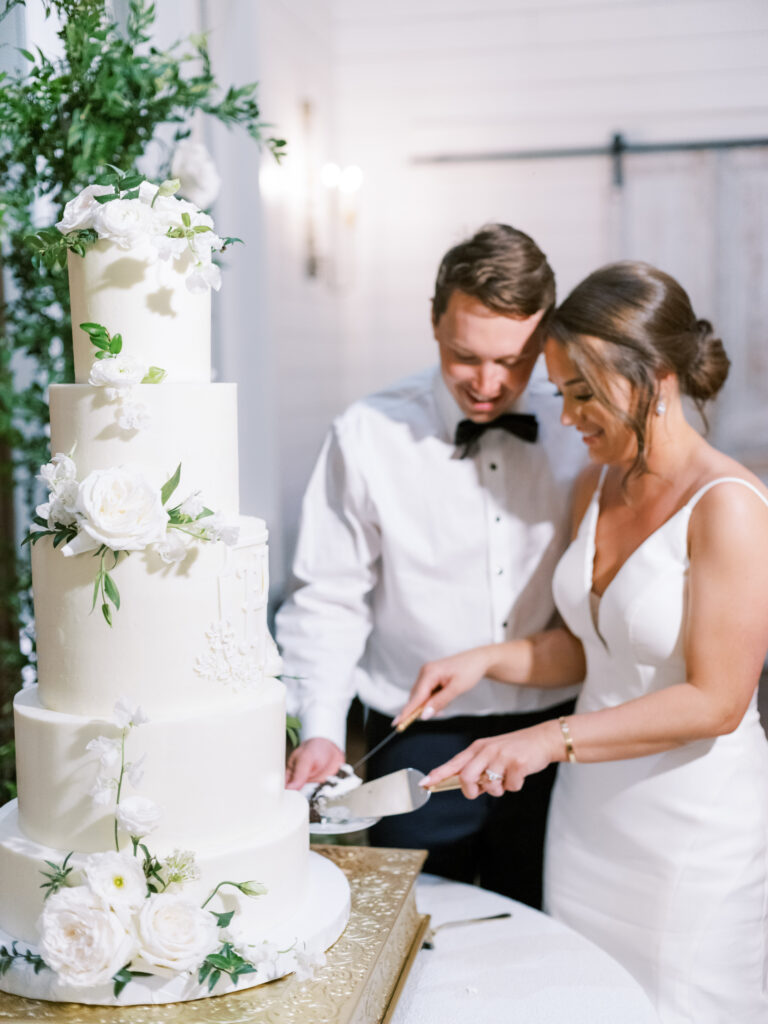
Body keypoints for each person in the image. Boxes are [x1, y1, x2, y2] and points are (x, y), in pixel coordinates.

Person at [402, 260, 768, 1022]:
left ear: (655, 376)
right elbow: (587, 648)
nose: (567, 418)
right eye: (562, 393)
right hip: (589, 814)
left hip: (691, 826)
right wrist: (485, 660)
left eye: (582, 393)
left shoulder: (729, 505)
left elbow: (717, 700)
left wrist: (549, 739)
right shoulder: (593, 486)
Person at [277, 224, 585, 907]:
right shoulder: (368, 434)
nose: (488, 384)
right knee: (416, 930)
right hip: (416, 741)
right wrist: (322, 727)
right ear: (434, 323)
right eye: (464, 356)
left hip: (557, 730)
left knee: (547, 936)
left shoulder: (580, 429)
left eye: (515, 359)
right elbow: (327, 597)